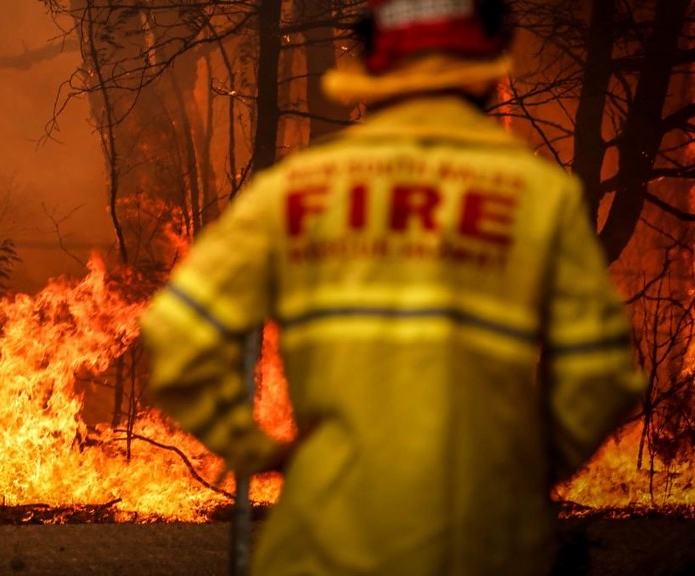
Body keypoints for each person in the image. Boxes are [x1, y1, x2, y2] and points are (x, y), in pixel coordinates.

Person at [140, 0, 648, 574]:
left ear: (372, 77)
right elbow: (603, 376)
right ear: (483, 76)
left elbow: (175, 336)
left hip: (321, 548)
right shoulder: (537, 196)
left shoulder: (294, 191)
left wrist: (260, 450)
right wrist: (528, 473)